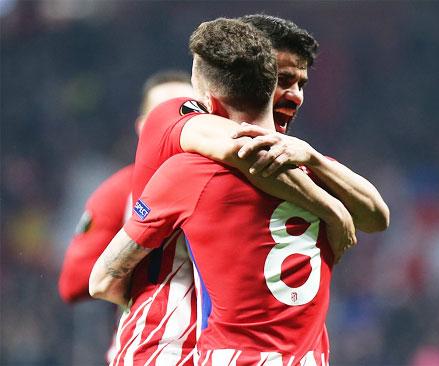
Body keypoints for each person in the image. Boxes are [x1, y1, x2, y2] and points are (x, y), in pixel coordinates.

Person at [91, 15, 389, 365]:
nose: (294, 95)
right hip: (163, 344)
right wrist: (331, 207)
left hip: (223, 351)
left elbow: (377, 216)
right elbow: (242, 148)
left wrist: (316, 162)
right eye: (284, 79)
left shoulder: (296, 161)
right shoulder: (175, 120)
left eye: (302, 84)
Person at [57, 70, 193, 362]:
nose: (176, 125)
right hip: (151, 349)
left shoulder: (230, 180)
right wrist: (138, 256)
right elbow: (73, 283)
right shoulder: (121, 190)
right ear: (143, 126)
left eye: (187, 112)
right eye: (162, 116)